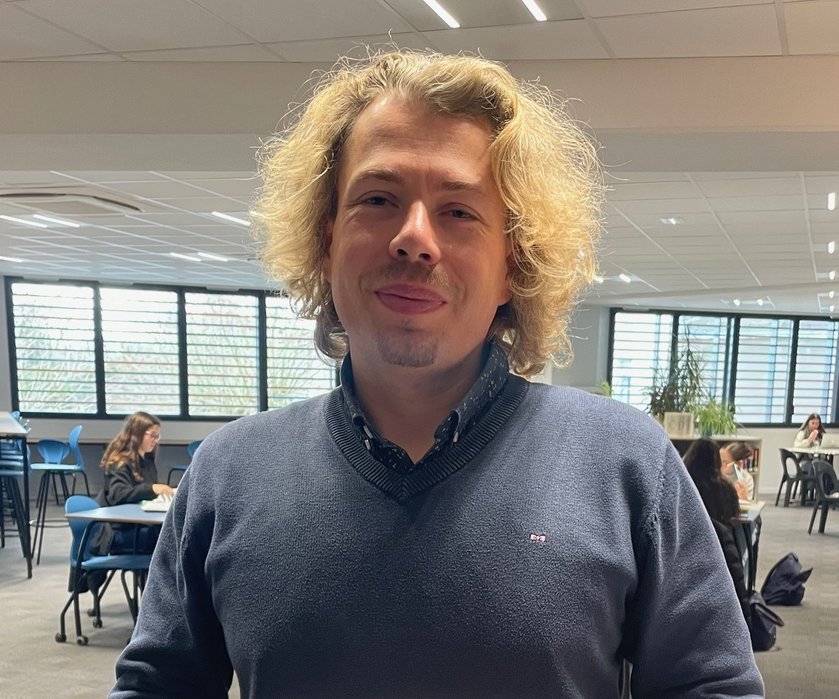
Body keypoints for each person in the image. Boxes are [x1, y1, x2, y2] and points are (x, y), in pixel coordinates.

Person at [110, 50, 763, 697]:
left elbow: (711, 686)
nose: (414, 237)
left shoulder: (625, 462)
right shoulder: (228, 472)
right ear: (327, 240)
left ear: (512, 264)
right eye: (378, 198)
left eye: (458, 211)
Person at [682, 438, 750, 626]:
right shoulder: (725, 489)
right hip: (721, 551)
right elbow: (733, 518)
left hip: (687, 551)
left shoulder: (683, 487)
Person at [90, 411, 174, 556]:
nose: (155, 440)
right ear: (137, 434)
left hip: (138, 525)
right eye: (152, 435)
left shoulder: (147, 460)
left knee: (173, 532)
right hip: (119, 531)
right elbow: (119, 494)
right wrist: (152, 488)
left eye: (157, 436)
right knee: (167, 538)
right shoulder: (120, 462)